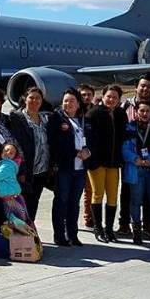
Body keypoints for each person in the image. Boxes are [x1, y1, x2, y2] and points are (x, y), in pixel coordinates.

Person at [119, 73, 150, 235]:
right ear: (136, 87)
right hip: (132, 162)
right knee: (128, 194)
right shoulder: (126, 106)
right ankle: (126, 224)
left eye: (149, 86)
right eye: (142, 85)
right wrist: (134, 158)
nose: (145, 88)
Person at [85, 85, 127, 243]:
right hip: (97, 162)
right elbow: (88, 139)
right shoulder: (93, 113)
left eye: (115, 97)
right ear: (102, 96)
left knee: (113, 196)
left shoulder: (120, 114)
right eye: (109, 96)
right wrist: (92, 159)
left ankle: (109, 229)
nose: (111, 100)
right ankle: (98, 228)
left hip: (114, 162)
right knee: (97, 194)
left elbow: (123, 136)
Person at [49, 89, 90, 246]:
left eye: (72, 101)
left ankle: (73, 234)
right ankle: (59, 235)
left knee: (74, 202)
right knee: (61, 201)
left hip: (80, 169)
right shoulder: (57, 118)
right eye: (66, 100)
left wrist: (88, 151)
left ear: (78, 104)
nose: (68, 104)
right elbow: (55, 143)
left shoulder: (83, 120)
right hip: (65, 167)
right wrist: (75, 153)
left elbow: (91, 139)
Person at [0, 143, 37, 236]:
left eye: (12, 152)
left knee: (18, 224)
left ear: (14, 157)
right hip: (12, 198)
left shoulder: (7, 165)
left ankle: (26, 244)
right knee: (20, 222)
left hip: (11, 200)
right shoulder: (3, 164)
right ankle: (28, 243)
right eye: (6, 150)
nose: (8, 153)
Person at [12, 87, 51, 220]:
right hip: (25, 170)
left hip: (41, 170)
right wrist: (20, 169)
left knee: (34, 202)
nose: (34, 101)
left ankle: (30, 231)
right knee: (21, 204)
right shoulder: (17, 118)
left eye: (38, 98)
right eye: (31, 98)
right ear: (25, 99)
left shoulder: (45, 119)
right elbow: (16, 146)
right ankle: (21, 235)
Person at [78, 84, 96, 229]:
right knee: (76, 189)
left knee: (90, 190)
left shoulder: (95, 112)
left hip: (90, 155)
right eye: (83, 94)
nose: (86, 97)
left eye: (89, 94)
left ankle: (89, 217)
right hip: (76, 155)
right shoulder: (74, 111)